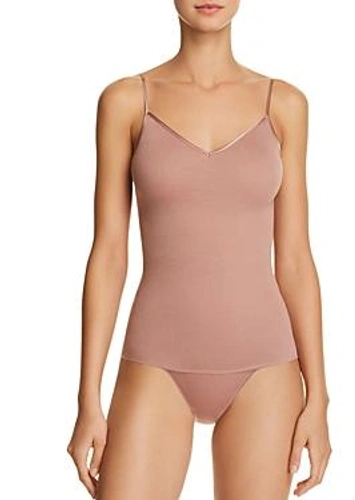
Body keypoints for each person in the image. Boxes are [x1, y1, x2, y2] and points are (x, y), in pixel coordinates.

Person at [66, 1, 332, 498]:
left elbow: (295, 259)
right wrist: (88, 398)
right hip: (155, 360)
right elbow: (109, 256)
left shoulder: (284, 104)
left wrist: (319, 397)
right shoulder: (127, 100)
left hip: (265, 365)